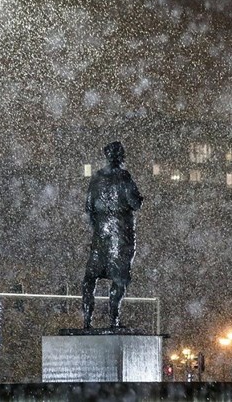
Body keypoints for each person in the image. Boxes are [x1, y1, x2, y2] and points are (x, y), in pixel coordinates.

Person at [82, 141, 143, 329]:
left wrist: (98, 225)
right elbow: (135, 203)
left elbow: (89, 207)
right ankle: (114, 319)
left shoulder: (96, 178)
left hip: (101, 233)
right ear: (121, 157)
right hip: (120, 232)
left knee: (90, 278)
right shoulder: (124, 177)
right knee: (120, 278)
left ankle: (87, 321)